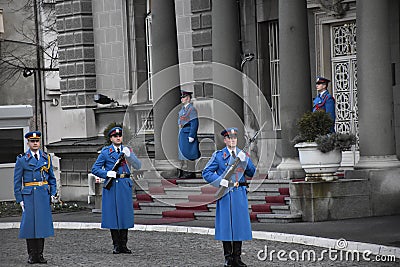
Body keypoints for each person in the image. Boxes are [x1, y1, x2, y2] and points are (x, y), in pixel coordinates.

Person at [202, 127, 256, 267]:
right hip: (225, 194)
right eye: (229, 138)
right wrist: (221, 181)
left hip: (239, 193)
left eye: (234, 138)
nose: (232, 140)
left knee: (239, 225)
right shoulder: (219, 156)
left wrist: (246, 161)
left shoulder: (242, 154)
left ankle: (237, 257)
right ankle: (228, 258)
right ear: (225, 140)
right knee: (226, 226)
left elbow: (252, 172)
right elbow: (206, 172)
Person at [91, 126, 141, 254]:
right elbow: (95, 169)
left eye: (120, 136)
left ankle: (124, 244)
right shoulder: (106, 152)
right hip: (112, 185)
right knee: (113, 215)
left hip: (124, 184)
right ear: (111, 138)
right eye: (115, 136)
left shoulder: (127, 150)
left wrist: (130, 156)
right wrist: (107, 173)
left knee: (124, 215)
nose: (118, 138)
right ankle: (116, 245)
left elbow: (138, 165)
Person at [13, 131, 57, 264]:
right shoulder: (22, 159)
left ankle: (40, 254)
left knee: (41, 225)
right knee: (30, 226)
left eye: (37, 141)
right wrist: (19, 199)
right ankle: (32, 255)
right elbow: (17, 181)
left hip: (43, 194)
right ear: (28, 143)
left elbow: (52, 179)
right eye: (32, 141)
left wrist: (53, 193)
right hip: (29, 195)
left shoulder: (46, 158)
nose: (35, 143)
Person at [178, 90, 201, 178]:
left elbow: (194, 123)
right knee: (183, 152)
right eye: (181, 98)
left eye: (183, 98)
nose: (181, 100)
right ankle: (185, 171)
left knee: (190, 153)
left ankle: (190, 172)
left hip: (188, 133)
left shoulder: (191, 109)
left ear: (187, 98)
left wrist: (191, 135)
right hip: (183, 133)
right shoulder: (183, 109)